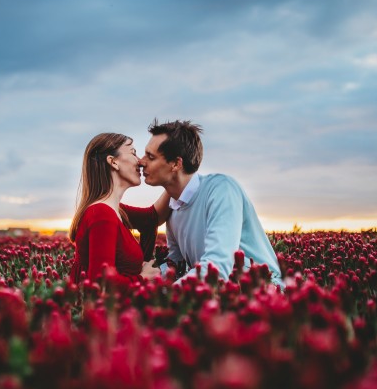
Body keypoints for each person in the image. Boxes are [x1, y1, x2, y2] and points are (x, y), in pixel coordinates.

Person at [139, 119, 283, 287]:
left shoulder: (221, 189)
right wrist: (146, 276)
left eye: (150, 157)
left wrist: (164, 296)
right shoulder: (173, 205)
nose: (141, 162)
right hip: (218, 294)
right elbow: (176, 264)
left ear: (176, 164)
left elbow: (217, 266)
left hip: (263, 291)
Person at [69, 132, 169, 290]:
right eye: (133, 152)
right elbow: (101, 285)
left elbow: (152, 218)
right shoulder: (102, 214)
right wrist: (142, 278)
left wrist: (171, 176)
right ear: (113, 162)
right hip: (104, 313)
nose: (140, 161)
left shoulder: (114, 210)